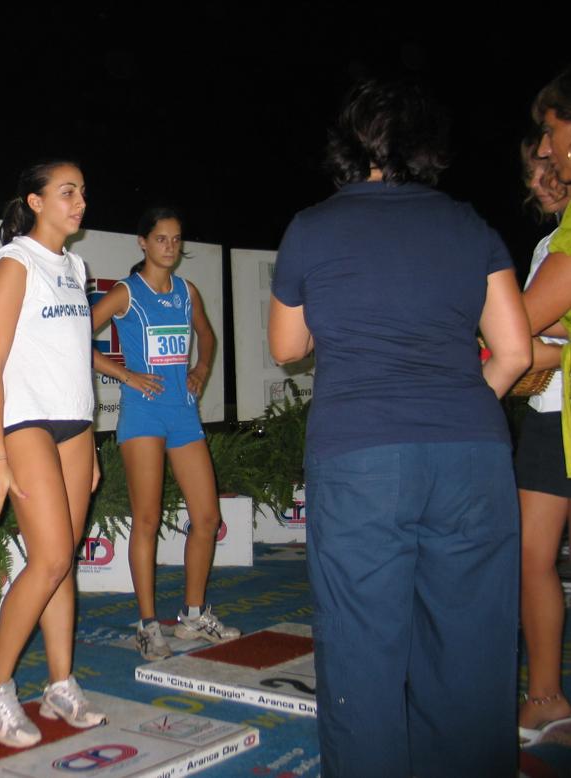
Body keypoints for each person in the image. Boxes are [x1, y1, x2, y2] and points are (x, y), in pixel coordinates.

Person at [267, 80, 530, 776]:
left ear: (348, 146)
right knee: (471, 644)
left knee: (362, 646)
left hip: (360, 457)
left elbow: (286, 347)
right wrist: (457, 403)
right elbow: (513, 352)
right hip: (471, 455)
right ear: (426, 146)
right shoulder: (469, 224)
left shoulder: (312, 227)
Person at [0, 161, 106, 748]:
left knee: (62, 560)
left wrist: (92, 444)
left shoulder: (75, 267)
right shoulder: (15, 263)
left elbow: (73, 360)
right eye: (66, 192)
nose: (79, 202)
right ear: (36, 201)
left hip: (74, 425)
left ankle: (59, 684)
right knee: (48, 560)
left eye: (82, 192)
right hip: (25, 422)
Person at [90, 207, 239, 660]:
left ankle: (193, 616)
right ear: (143, 242)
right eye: (160, 239)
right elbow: (76, 338)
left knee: (207, 518)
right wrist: (126, 375)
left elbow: (207, 337)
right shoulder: (126, 292)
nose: (170, 247)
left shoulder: (186, 291)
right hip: (143, 417)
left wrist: (203, 367)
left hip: (183, 415)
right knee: (148, 519)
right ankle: (148, 625)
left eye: (176, 239)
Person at [520, 67, 571, 733]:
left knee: (534, 560)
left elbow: (522, 329)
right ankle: (544, 696)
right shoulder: (548, 243)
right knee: (532, 559)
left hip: (559, 414)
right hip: (548, 418)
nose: (545, 156)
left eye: (551, 136)